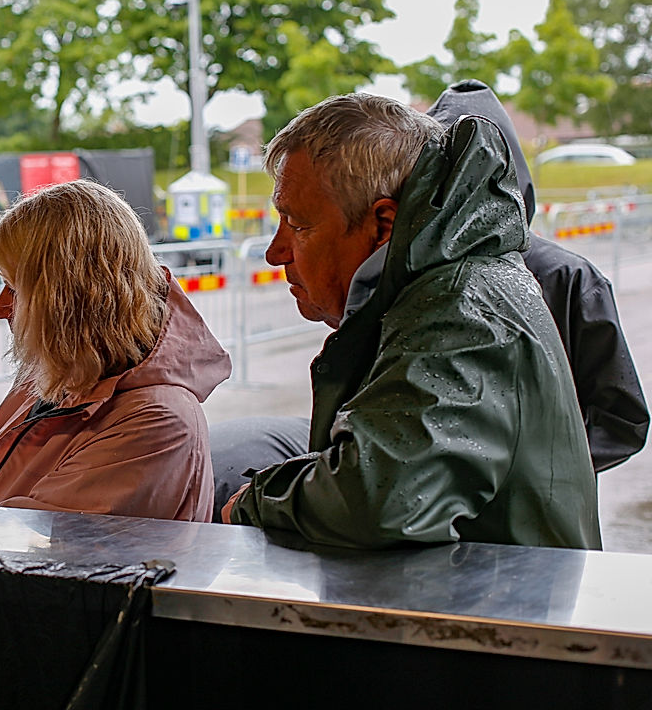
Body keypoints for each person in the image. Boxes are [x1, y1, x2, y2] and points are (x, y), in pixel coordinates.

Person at [223, 93, 601, 549]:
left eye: (298, 225)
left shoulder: (460, 311)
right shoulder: (441, 288)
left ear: (383, 225)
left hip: (500, 612)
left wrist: (256, 501)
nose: (275, 252)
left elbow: (382, 498)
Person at [0, 180, 231, 522]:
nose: (0, 308)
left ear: (68, 299)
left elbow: (21, 551)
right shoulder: (62, 374)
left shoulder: (156, 422)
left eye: (14, 288)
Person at [427, 80, 649, 472]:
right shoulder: (415, 271)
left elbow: (621, 418)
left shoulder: (568, 278)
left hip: (545, 517)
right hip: (436, 507)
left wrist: (544, 474)